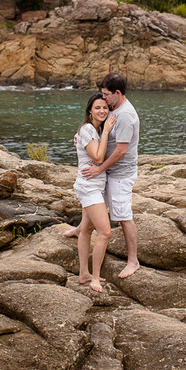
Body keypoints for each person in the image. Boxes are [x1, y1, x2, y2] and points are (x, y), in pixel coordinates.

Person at [78, 72, 141, 278]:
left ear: (117, 93)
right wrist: (82, 138)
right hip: (109, 172)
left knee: (123, 216)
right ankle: (81, 229)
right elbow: (94, 130)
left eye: (106, 94)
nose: (103, 98)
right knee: (96, 204)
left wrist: (99, 168)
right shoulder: (114, 108)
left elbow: (121, 151)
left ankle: (133, 261)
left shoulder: (125, 116)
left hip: (120, 174)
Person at [74, 93, 114, 292]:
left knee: (86, 230)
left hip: (95, 186)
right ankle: (95, 278)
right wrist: (106, 131)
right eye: (97, 107)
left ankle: (84, 273)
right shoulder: (89, 129)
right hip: (89, 186)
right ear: (89, 110)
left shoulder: (94, 130)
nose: (102, 111)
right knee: (105, 232)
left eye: (105, 107)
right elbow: (98, 158)